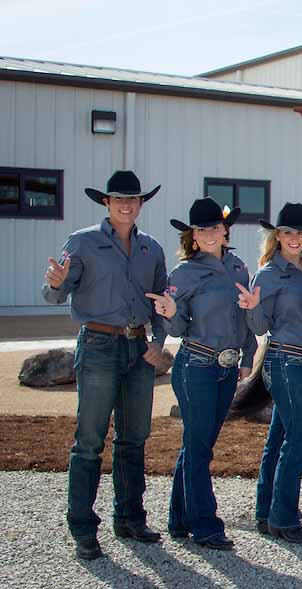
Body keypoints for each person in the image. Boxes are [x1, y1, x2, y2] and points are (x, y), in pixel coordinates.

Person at [42, 170, 166, 560]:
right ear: (106, 204)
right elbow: (52, 295)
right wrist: (58, 283)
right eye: (118, 200)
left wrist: (158, 343)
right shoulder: (82, 243)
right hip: (98, 344)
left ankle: (130, 518)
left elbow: (162, 302)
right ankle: (82, 527)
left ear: (141, 204)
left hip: (138, 350)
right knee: (90, 441)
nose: (126, 206)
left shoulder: (152, 249)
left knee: (134, 437)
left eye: (133, 200)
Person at [147, 197, 257, 550]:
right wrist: (168, 312)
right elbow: (178, 327)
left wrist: (247, 355)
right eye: (201, 229)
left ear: (225, 230)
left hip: (227, 368)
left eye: (214, 227)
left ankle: (179, 519)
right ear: (193, 236)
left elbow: (244, 319)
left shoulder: (239, 267)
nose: (209, 234)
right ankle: (206, 525)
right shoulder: (184, 274)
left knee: (199, 445)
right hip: (196, 366)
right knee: (199, 447)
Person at [239, 203, 302, 543]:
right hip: (283, 360)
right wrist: (252, 308)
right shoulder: (268, 273)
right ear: (277, 236)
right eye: (288, 232)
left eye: (300, 232)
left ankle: (265, 512)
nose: (294, 238)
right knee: (300, 438)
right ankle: (284, 518)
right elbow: (261, 326)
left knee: (279, 437)